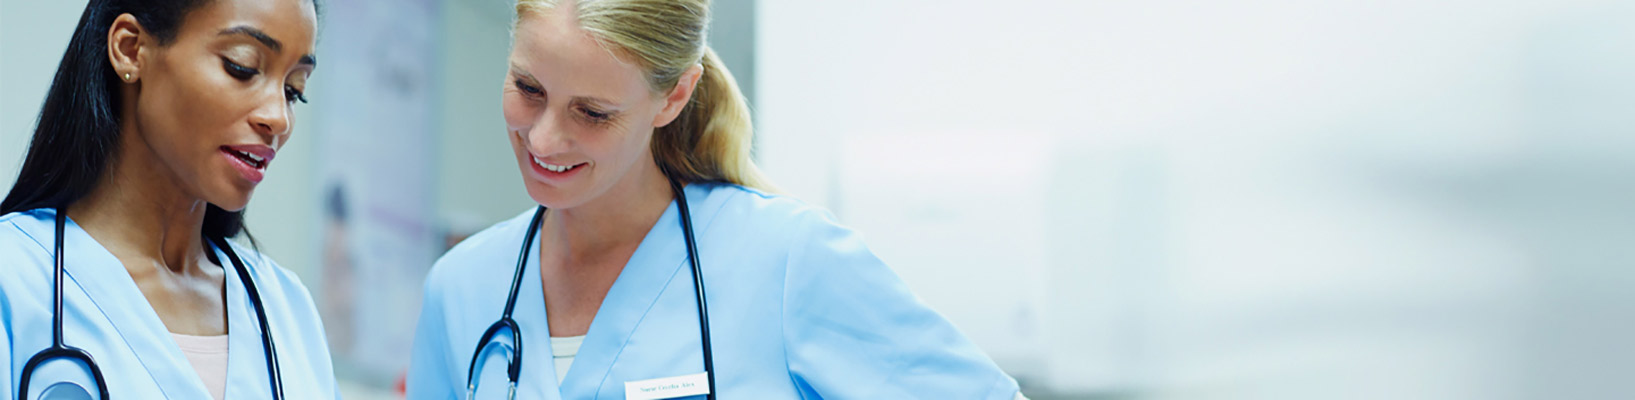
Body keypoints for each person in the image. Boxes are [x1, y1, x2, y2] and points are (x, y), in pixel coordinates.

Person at [405, 0, 1024, 398]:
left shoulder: (784, 260)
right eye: (528, 88)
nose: (543, 137)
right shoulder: (461, 289)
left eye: (592, 112)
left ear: (673, 97)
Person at [0, 0, 336, 398]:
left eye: (294, 90)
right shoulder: (16, 278)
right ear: (131, 49)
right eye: (241, 67)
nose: (278, 118)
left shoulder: (287, 310)